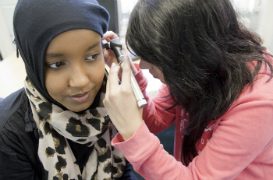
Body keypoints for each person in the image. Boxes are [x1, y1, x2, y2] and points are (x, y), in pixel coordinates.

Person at [102, 0, 273, 179]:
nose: (143, 65)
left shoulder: (258, 104)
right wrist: (130, 76)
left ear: (193, 51)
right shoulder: (197, 70)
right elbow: (156, 118)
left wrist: (131, 129)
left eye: (154, 57)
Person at [0, 0, 138, 179]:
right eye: (57, 64)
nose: (80, 81)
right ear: (31, 63)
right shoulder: (11, 134)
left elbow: (123, 171)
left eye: (92, 56)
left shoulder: (113, 101)